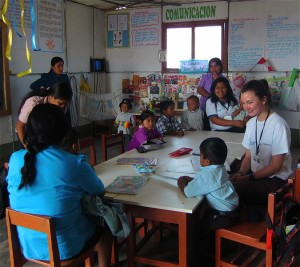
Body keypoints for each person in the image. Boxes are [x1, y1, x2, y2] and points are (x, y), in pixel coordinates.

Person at [6, 104, 112, 266]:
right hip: (65, 248)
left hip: (28, 245)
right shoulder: (71, 162)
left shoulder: (15, 158)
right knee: (104, 233)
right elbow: (99, 189)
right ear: (62, 130)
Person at [177, 137, 239, 266]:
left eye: (200, 155)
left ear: (206, 161)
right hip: (233, 210)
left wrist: (181, 183)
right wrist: (194, 180)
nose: (199, 158)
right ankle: (213, 248)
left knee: (193, 229)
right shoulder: (219, 167)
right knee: (202, 216)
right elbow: (206, 180)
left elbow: (188, 192)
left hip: (223, 217)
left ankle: (196, 261)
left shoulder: (208, 175)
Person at [230, 79, 293, 205]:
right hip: (255, 175)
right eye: (243, 103)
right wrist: (241, 173)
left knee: (229, 190)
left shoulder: (278, 125)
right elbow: (248, 156)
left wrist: (247, 178)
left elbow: (276, 167)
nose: (246, 107)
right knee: (227, 179)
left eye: (250, 102)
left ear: (263, 100)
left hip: (274, 180)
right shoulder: (251, 123)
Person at [16, 81, 73, 148]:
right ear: (50, 97)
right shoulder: (34, 103)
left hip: (45, 134)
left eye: (66, 105)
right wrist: (27, 148)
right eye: (60, 104)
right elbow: (19, 126)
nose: (62, 107)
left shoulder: (62, 107)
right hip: (27, 134)